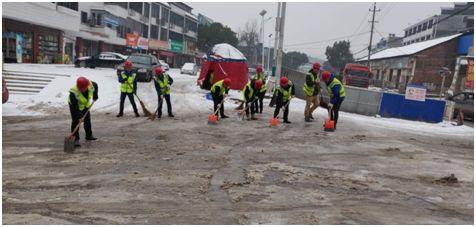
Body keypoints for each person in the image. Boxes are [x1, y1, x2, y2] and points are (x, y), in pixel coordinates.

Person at [68, 76, 98, 147]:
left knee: (87, 119)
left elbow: (96, 85)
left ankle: (89, 135)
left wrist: (95, 95)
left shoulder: (90, 84)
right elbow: (74, 108)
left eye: (83, 89)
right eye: (80, 89)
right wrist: (79, 116)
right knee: (76, 121)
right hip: (75, 106)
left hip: (85, 105)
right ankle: (75, 140)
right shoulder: (73, 93)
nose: (81, 90)